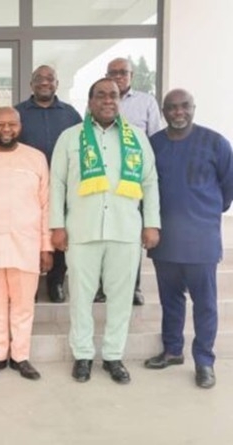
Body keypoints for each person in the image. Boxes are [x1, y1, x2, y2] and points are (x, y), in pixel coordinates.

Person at [49, 78, 160, 384]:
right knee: (81, 297)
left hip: (125, 231)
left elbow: (150, 183)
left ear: (120, 100)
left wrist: (152, 222)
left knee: (121, 298)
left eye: (113, 95)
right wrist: (56, 225)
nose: (108, 100)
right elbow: (56, 184)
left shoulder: (137, 137)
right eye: (101, 95)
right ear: (90, 101)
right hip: (81, 231)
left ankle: (113, 356)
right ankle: (83, 354)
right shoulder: (70, 138)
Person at [144, 89, 233, 389]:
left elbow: (227, 190)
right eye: (171, 107)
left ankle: (205, 362)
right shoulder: (153, 144)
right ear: (164, 110)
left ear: (193, 108)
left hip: (201, 241)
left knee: (205, 304)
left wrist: (203, 211)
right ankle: (172, 350)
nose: (178, 112)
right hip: (164, 240)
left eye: (184, 107)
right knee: (170, 301)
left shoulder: (216, 143)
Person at [0, 107, 52, 380]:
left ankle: (21, 356)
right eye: (0, 124)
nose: (6, 129)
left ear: (20, 126)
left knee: (23, 305)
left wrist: (46, 246)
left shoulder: (36, 158)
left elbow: (46, 204)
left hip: (25, 244)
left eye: (12, 124)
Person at [15, 65, 82, 303]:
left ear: (57, 84)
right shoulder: (18, 112)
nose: (45, 83)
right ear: (31, 84)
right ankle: (30, 282)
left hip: (63, 185)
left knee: (59, 232)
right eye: (39, 79)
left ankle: (56, 282)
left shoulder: (71, 114)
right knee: (31, 233)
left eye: (50, 79)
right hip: (27, 187)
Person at [103, 57, 163, 306]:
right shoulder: (99, 102)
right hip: (104, 179)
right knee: (104, 235)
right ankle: (101, 287)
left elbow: (156, 139)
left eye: (123, 72)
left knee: (130, 237)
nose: (118, 76)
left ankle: (133, 287)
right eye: (113, 72)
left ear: (132, 75)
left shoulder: (146, 102)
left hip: (132, 180)